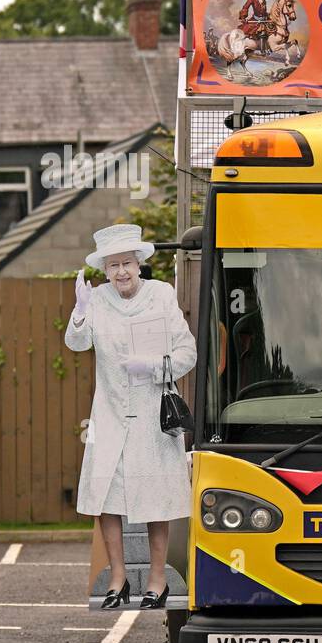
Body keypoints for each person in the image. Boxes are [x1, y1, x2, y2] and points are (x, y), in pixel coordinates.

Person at [66, 224, 196, 609]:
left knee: (156, 497)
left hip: (153, 413)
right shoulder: (99, 299)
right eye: (112, 265)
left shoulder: (161, 296)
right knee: (107, 496)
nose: (121, 272)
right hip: (108, 413)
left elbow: (187, 353)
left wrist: (154, 365)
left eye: (126, 263)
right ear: (104, 270)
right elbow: (77, 343)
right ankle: (118, 579)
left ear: (139, 263)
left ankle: (157, 580)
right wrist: (79, 311)